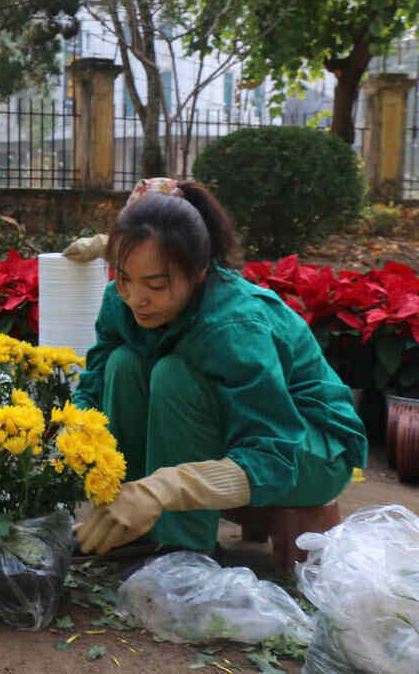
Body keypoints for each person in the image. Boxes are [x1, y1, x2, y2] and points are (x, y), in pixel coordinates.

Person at [72, 178, 368, 556]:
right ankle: (126, 523)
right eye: (126, 279)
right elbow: (94, 384)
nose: (137, 299)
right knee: (122, 363)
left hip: (307, 448)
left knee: (173, 375)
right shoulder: (122, 301)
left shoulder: (234, 326)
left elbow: (271, 452)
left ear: (197, 272)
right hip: (234, 427)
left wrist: (163, 489)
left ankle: (182, 550)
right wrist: (75, 440)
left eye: (156, 285)